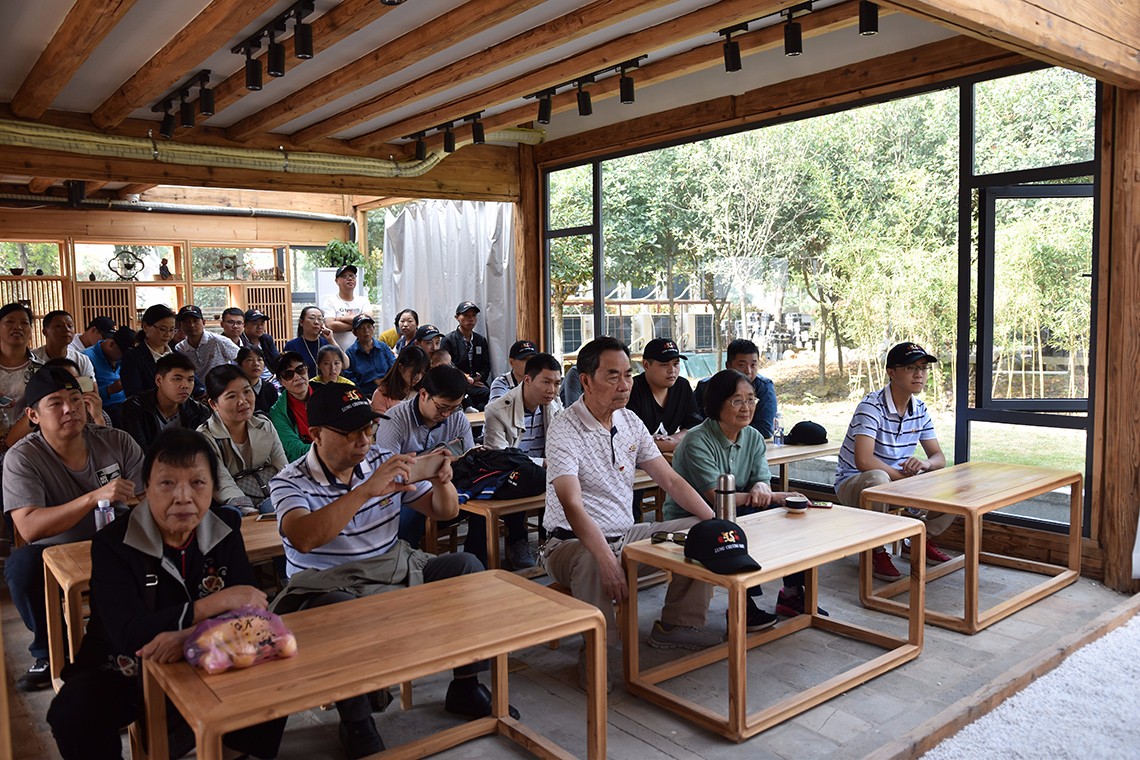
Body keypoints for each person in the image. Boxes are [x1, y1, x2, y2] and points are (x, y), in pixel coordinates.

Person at [268, 383, 515, 758]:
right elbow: (304, 538)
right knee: (336, 609)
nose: (364, 441)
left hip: (392, 566)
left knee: (466, 567)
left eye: (367, 429)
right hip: (326, 583)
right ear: (315, 434)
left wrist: (442, 482)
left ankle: (465, 685)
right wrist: (366, 490)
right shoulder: (290, 480)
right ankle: (357, 720)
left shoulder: (382, 460)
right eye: (350, 433)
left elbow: (444, 512)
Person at [46, 428, 287, 760]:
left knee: (274, 671)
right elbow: (130, 635)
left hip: (206, 655)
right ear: (147, 488)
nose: (183, 496)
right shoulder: (113, 543)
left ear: (213, 487)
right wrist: (214, 603)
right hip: (123, 669)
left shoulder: (225, 528)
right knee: (74, 712)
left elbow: (252, 613)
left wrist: (185, 636)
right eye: (168, 483)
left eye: (198, 482)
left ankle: (232, 754)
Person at [541, 337, 721, 683]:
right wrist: (607, 560)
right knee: (592, 560)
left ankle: (678, 624)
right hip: (568, 543)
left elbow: (671, 480)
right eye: (613, 376)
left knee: (701, 532)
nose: (625, 385)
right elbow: (571, 503)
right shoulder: (565, 428)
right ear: (586, 380)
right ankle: (598, 653)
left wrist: (715, 522)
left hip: (625, 536)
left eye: (627, 374)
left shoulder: (630, 422)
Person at [3, 367, 145, 691]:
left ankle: (137, 635)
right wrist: (93, 497)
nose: (70, 409)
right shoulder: (22, 457)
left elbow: (148, 497)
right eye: (56, 403)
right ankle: (48, 651)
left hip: (116, 538)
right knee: (21, 566)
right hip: (56, 548)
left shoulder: (115, 440)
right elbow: (28, 527)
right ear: (33, 415)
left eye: (76, 399)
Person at [665, 369, 823, 626]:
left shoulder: (753, 437)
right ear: (717, 403)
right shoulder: (697, 440)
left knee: (792, 518)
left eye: (751, 399)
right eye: (737, 400)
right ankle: (743, 605)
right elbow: (717, 499)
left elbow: (761, 479)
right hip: (694, 516)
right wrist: (774, 496)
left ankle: (792, 593)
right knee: (743, 522)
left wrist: (761, 487)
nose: (746, 407)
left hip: (736, 510)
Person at [834, 341, 955, 581]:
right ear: (891, 372)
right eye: (911, 367)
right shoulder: (871, 407)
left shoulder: (920, 409)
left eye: (923, 367)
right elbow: (864, 461)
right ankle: (875, 549)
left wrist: (925, 465)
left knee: (951, 480)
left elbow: (939, 458)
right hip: (856, 482)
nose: (919, 374)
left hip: (897, 482)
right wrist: (904, 482)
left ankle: (919, 539)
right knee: (879, 479)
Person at [374, 365, 480, 560]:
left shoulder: (457, 418)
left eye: (454, 407)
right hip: (406, 493)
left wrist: (448, 463)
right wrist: (431, 465)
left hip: (449, 484)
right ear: (423, 394)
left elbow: (468, 458)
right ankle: (405, 562)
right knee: (411, 514)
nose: (447, 414)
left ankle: (480, 561)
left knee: (484, 499)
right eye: (442, 407)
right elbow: (388, 472)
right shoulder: (395, 419)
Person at [483, 352, 563, 569]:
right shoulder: (497, 410)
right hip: (510, 475)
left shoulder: (555, 405)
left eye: (557, 383)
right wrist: (542, 463)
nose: (552, 390)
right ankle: (517, 541)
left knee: (566, 476)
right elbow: (501, 457)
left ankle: (554, 540)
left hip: (544, 471)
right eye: (546, 382)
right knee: (525, 476)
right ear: (527, 380)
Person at [199, 365, 288, 515]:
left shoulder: (263, 424)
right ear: (214, 404)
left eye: (247, 391)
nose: (243, 401)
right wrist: (248, 509)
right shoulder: (204, 437)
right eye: (232, 396)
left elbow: (282, 466)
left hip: (272, 495)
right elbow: (221, 482)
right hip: (234, 505)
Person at [121, 352, 211, 453]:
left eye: (190, 380)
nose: (185, 385)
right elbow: (139, 454)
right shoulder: (135, 408)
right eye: (177, 379)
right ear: (159, 380)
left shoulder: (199, 412)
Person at [626, 338, 701, 453]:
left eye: (676, 364)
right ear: (646, 365)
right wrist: (671, 444)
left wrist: (674, 440)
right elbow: (629, 439)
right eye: (664, 364)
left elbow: (695, 426)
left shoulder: (682, 386)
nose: (672, 370)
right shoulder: (631, 390)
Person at [696, 338, 778, 438]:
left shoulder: (764, 387)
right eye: (742, 365)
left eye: (753, 365)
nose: (748, 371)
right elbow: (695, 423)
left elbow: (765, 429)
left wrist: (732, 433)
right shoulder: (706, 386)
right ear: (728, 366)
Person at [0, 302, 46, 452]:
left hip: (27, 444)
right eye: (10, 321)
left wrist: (10, 441)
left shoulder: (40, 369)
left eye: (24, 323)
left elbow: (41, 409)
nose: (17, 327)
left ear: (31, 331)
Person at [440, 301, 492, 411]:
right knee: (483, 394)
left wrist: (479, 377)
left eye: (473, 315)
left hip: (477, 384)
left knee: (486, 401)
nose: (471, 319)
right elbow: (447, 365)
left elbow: (486, 365)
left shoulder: (480, 340)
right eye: (466, 315)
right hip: (457, 384)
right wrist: (466, 379)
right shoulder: (448, 340)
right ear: (457, 317)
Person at [81, 326, 135, 428]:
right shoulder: (85, 359)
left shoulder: (121, 359)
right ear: (111, 344)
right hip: (106, 409)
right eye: (122, 354)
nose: (123, 358)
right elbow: (85, 395)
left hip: (126, 404)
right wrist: (109, 390)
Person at [120, 304, 176, 398]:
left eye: (172, 330)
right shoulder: (132, 358)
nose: (168, 334)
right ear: (145, 327)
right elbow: (134, 395)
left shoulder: (176, 355)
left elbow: (194, 384)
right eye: (163, 329)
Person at [268, 351, 314, 462]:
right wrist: (329, 449)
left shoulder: (325, 393)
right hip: (306, 463)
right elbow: (295, 449)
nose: (297, 377)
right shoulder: (278, 411)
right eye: (288, 375)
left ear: (307, 370)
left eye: (300, 370)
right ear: (281, 382)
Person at [175, 304, 239, 380]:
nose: (191, 325)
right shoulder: (180, 349)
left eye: (195, 321)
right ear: (180, 325)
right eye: (186, 322)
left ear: (204, 322)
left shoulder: (218, 341)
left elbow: (242, 359)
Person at [30, 310, 96, 381]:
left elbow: (91, 387)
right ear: (45, 332)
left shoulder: (82, 360)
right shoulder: (32, 359)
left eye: (70, 326)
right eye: (59, 326)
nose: (67, 329)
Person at [321, 264, 372, 353]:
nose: (350, 278)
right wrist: (359, 325)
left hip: (362, 352)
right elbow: (330, 325)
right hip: (337, 352)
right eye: (345, 276)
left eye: (352, 276)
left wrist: (341, 318)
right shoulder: (330, 301)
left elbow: (368, 320)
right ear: (337, 281)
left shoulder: (363, 300)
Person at [343, 314, 396, 397]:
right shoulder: (350, 353)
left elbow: (394, 367)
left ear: (373, 328)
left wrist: (386, 383)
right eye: (361, 328)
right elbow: (350, 380)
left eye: (369, 327)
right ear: (354, 332)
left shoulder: (383, 347)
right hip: (364, 395)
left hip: (388, 391)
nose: (366, 331)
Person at [371, 345, 429, 414]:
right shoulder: (382, 394)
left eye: (422, 373)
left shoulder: (423, 392)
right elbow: (380, 420)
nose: (418, 377)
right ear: (400, 367)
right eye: (414, 372)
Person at [284, 305, 336, 377]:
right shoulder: (292, 345)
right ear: (301, 322)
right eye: (312, 318)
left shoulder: (327, 343)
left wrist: (331, 339)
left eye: (320, 319)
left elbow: (345, 364)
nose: (316, 322)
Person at [237, 345, 279, 415]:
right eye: (250, 360)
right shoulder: (236, 390)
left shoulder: (270, 388)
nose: (256, 364)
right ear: (240, 365)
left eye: (259, 360)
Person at [240, 308, 280, 376]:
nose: (260, 327)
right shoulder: (240, 341)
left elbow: (277, 360)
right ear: (245, 325)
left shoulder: (267, 339)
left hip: (273, 377)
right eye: (255, 323)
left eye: (262, 323)